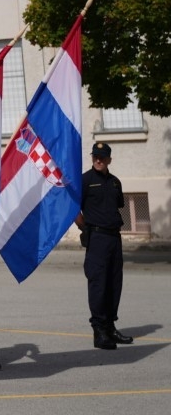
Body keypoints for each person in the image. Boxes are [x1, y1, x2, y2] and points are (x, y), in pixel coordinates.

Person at [75, 141, 132, 350]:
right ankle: (99, 331)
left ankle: (110, 327)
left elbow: (116, 206)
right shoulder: (85, 180)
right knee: (98, 284)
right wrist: (85, 228)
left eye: (102, 157)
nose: (98, 160)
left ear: (109, 159)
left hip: (114, 238)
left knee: (114, 283)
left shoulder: (115, 182)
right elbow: (73, 209)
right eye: (95, 156)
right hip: (97, 237)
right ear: (92, 158)